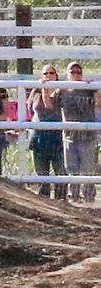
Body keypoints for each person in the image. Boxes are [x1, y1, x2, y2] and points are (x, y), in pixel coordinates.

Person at [28, 66, 67, 200]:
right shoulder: (36, 91)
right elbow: (30, 110)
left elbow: (50, 108)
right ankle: (44, 201)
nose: (48, 76)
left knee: (60, 171)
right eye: (45, 73)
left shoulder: (61, 92)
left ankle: (61, 201)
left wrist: (46, 91)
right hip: (39, 136)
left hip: (57, 136)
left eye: (51, 73)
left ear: (56, 76)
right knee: (42, 172)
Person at [61, 62, 98, 204]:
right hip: (70, 136)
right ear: (67, 74)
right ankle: (74, 198)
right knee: (71, 169)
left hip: (87, 136)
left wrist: (93, 87)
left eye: (78, 72)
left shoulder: (88, 89)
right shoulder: (63, 90)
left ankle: (89, 199)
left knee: (88, 170)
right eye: (72, 72)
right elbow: (49, 104)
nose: (76, 74)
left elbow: (99, 103)